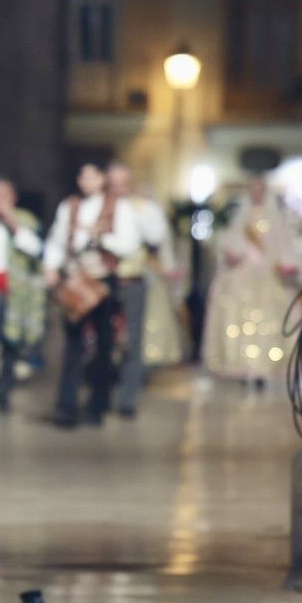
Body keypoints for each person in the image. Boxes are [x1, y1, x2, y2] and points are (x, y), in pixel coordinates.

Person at [43, 162, 142, 428]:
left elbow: (130, 243)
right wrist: (51, 266)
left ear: (101, 179)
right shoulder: (69, 207)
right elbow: (57, 240)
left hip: (102, 281)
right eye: (83, 176)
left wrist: (101, 238)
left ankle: (97, 405)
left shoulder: (118, 207)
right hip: (76, 279)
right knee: (73, 343)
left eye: (92, 176)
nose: (87, 182)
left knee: (103, 344)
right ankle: (67, 406)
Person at [203, 175, 295, 384]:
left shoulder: (275, 219)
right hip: (244, 275)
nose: (257, 194)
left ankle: (265, 365)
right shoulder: (241, 218)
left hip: (267, 276)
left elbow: (282, 247)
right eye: (254, 189)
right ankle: (243, 364)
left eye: (260, 189)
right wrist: (233, 257)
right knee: (241, 320)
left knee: (267, 321)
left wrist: (284, 264)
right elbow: (231, 245)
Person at [107, 163, 181, 416]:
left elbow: (156, 236)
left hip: (133, 278)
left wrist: (132, 216)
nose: (118, 189)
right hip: (103, 280)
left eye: (122, 183)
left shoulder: (143, 208)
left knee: (133, 339)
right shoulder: (101, 206)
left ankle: (128, 397)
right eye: (113, 184)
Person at [0, 177, 42, 412]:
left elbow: (35, 249)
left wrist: (12, 222)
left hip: (15, 294)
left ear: (13, 198)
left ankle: (3, 392)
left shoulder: (24, 220)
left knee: (10, 344)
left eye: (3, 196)